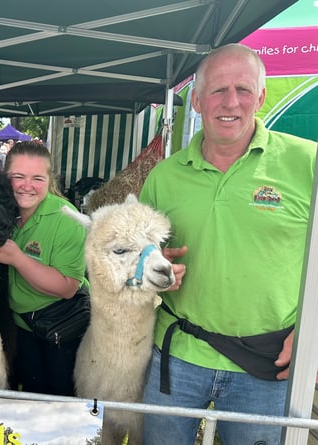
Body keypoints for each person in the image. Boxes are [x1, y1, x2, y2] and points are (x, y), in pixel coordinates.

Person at [139, 43, 317, 445]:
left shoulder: (307, 163)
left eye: (243, 89)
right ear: (198, 100)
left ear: (262, 96)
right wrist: (150, 262)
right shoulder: (163, 177)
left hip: (268, 362)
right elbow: (137, 254)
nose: (231, 102)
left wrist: (315, 331)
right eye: (218, 90)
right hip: (177, 355)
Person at [0, 141, 88, 396]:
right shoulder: (3, 213)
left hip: (61, 329)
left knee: (59, 401)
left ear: (49, 180)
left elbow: (67, 287)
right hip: (21, 328)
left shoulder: (67, 219)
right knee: (29, 398)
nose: (27, 186)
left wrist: (17, 258)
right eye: (18, 177)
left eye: (37, 178)